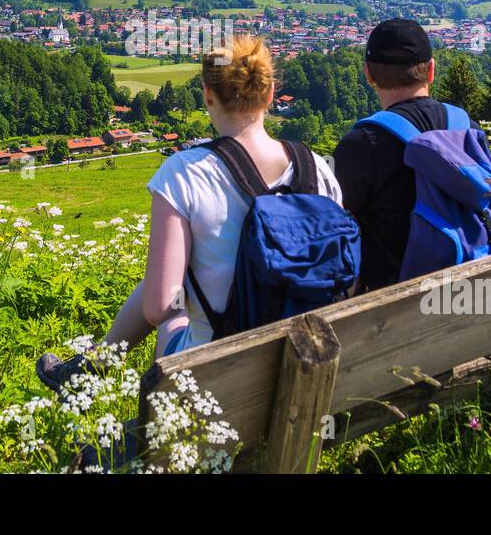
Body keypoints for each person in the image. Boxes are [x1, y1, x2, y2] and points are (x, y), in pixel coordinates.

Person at [36, 35, 346, 390]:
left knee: (168, 289)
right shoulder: (318, 168)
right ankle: (93, 366)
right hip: (305, 364)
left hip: (213, 371)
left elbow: (159, 309)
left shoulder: (184, 173)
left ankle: (93, 369)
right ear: (271, 94)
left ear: (207, 94)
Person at [332, 18, 472, 292]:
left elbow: (334, 230)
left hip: (395, 310)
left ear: (368, 74)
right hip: (475, 293)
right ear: (431, 70)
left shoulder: (360, 145)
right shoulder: (467, 128)